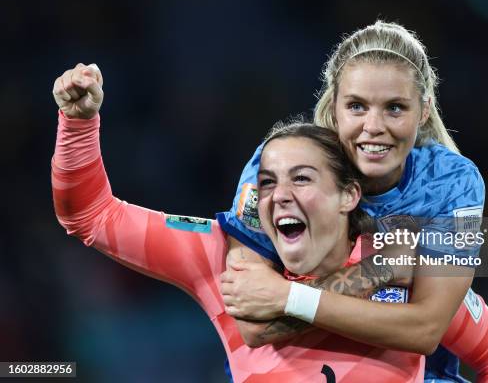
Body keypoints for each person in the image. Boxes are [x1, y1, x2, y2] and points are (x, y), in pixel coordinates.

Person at [51, 63, 426, 381]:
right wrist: (78, 125)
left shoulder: (408, 251)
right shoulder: (221, 256)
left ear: (349, 194)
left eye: (302, 178)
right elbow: (91, 215)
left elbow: (487, 354)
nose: (279, 194)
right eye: (266, 181)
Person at [217, 21, 488, 382]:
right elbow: (253, 326)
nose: (374, 126)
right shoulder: (276, 165)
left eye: (394, 108)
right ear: (334, 106)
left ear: (423, 111)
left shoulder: (453, 183)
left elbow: (425, 330)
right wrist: (378, 270)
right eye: (357, 106)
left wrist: (286, 297)